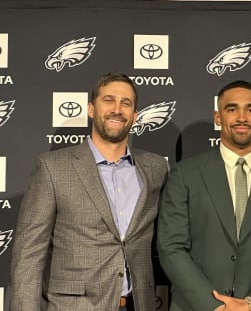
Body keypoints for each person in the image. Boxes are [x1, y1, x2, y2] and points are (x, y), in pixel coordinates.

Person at [10, 72, 169, 310]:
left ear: (135, 116)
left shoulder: (156, 168)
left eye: (126, 103)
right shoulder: (53, 168)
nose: (117, 109)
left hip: (139, 304)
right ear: (91, 109)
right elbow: (29, 256)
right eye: (108, 100)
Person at [157, 80, 251, 311]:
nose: (242, 117)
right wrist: (215, 305)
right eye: (232, 109)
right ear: (218, 118)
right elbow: (171, 247)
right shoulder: (185, 175)